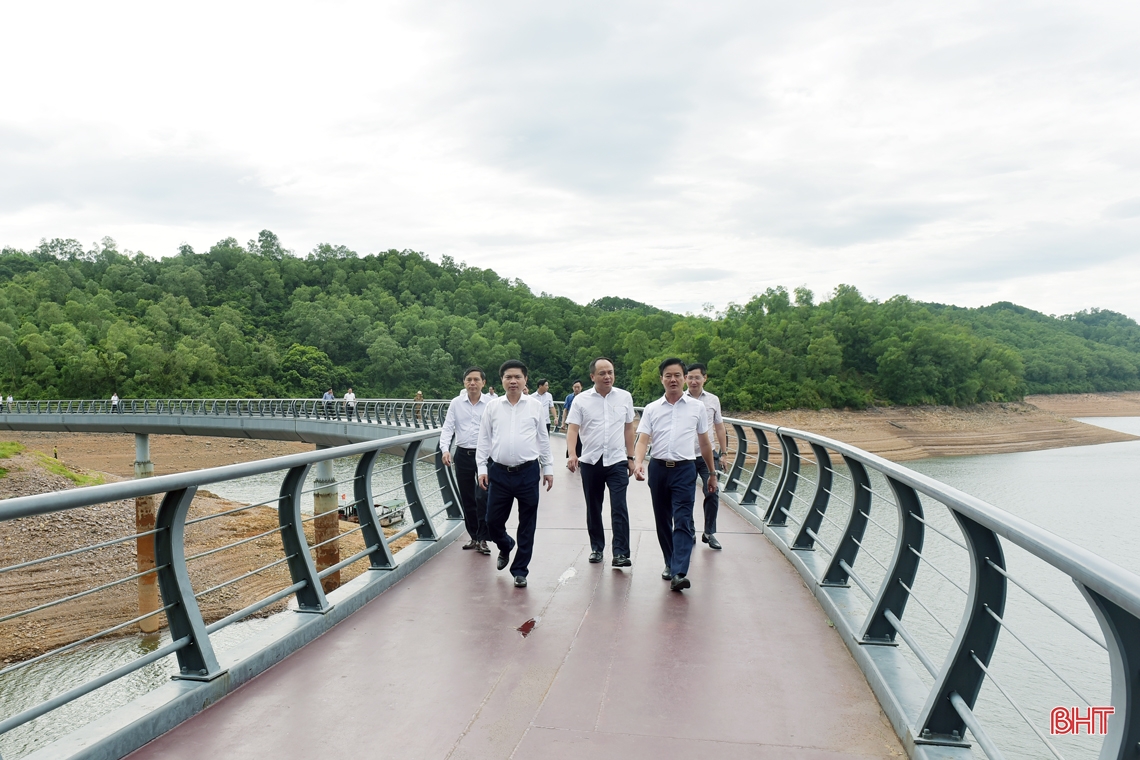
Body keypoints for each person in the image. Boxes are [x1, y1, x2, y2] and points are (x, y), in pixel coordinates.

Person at [633, 358, 717, 592]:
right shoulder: (652, 408)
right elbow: (642, 440)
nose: (673, 379)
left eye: (677, 375)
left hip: (685, 469)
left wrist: (711, 473)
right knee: (662, 520)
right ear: (661, 379)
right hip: (658, 469)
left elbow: (705, 443)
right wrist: (639, 463)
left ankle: (680, 571)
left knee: (682, 519)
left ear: (684, 378)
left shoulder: (697, 408)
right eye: (668, 375)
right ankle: (670, 563)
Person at [477, 360, 554, 588]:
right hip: (498, 472)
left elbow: (543, 438)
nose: (513, 381)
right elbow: (483, 439)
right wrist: (482, 468)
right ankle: (505, 544)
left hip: (527, 472)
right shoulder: (492, 407)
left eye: (517, 377)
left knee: (527, 522)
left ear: (525, 380)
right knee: (492, 521)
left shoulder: (535, 406)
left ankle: (520, 569)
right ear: (501, 380)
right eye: (508, 377)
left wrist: (548, 468)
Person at [566, 358, 636, 567]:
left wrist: (631, 458)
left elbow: (628, 428)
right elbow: (573, 429)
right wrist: (572, 454)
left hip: (616, 460)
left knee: (619, 507)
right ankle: (597, 547)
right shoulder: (581, 400)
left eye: (610, 372)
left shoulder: (624, 397)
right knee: (594, 507)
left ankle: (621, 553)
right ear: (592, 376)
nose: (607, 377)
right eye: (602, 373)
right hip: (590, 461)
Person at [440, 367, 491, 554]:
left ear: (483, 383)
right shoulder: (456, 403)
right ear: (464, 382)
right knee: (467, 498)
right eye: (469, 379)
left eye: (476, 379)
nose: (472, 383)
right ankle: (474, 537)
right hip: (463, 455)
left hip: (485, 456)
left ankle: (484, 537)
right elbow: (447, 428)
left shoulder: (491, 403)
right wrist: (445, 450)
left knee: (483, 497)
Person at [685, 364, 728, 550]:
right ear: (685, 379)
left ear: (705, 378)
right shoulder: (679, 399)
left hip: (707, 456)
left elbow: (719, 427)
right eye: (690, 377)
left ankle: (709, 532)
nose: (694, 381)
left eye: (697, 377)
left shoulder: (712, 400)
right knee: (685, 496)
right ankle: (690, 530)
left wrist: (724, 453)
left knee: (712, 493)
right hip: (685, 455)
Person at [562, 380, 584, 457]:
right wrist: (563, 422)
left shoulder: (584, 397)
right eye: (575, 387)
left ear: (581, 388)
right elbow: (565, 410)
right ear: (572, 388)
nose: (576, 389)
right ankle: (571, 457)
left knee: (581, 440)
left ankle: (580, 458)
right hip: (572, 421)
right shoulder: (569, 397)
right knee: (571, 439)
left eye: (578, 387)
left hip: (582, 422)